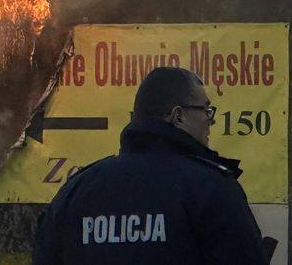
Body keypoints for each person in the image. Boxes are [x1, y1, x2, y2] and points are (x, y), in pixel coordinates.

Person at [33, 66, 267, 265]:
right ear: (178, 116)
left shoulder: (76, 191)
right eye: (205, 110)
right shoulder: (211, 189)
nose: (211, 119)